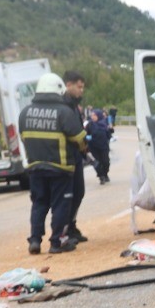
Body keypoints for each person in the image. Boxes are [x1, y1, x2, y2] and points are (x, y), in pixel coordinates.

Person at [19, 72, 87, 255]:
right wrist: (83, 149)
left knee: (39, 203)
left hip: (35, 168)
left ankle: (34, 240)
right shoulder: (63, 112)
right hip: (60, 169)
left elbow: (23, 138)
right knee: (60, 205)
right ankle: (56, 242)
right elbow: (80, 138)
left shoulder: (25, 112)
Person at [60, 71, 90, 243]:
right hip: (67, 156)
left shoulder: (72, 105)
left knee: (79, 192)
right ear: (68, 85)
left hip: (77, 155)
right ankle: (65, 230)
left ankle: (71, 225)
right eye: (79, 87)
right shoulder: (64, 105)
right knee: (69, 195)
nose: (81, 91)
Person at [85, 108, 113, 184]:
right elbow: (85, 134)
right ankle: (101, 177)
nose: (92, 117)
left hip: (104, 146)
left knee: (106, 162)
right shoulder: (90, 124)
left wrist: (110, 131)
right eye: (92, 115)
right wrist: (87, 138)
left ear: (98, 115)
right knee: (98, 163)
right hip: (93, 147)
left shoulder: (104, 123)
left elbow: (109, 133)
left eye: (94, 115)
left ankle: (105, 174)